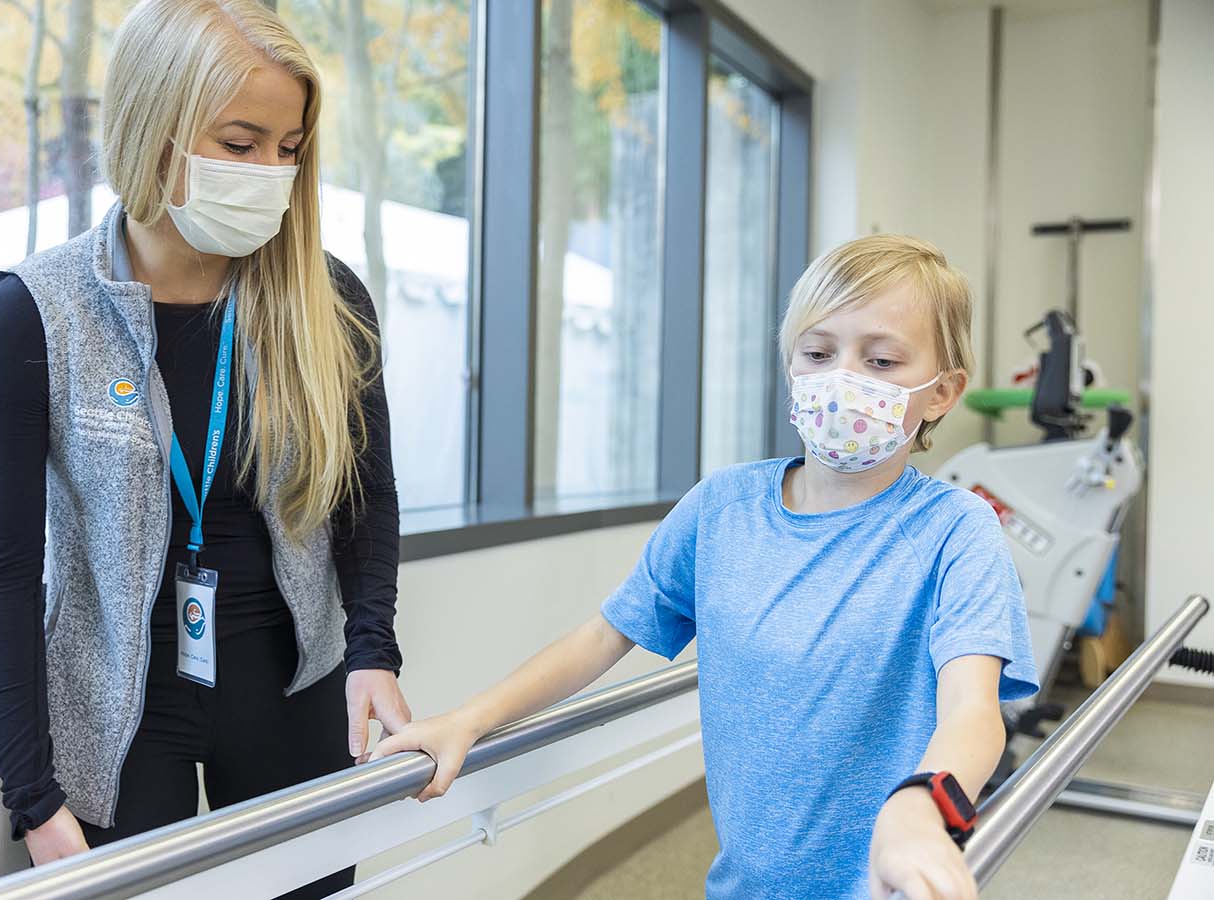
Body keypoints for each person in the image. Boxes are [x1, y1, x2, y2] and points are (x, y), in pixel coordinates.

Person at [370, 235, 1039, 900]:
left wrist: (925, 807)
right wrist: (470, 718)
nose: (843, 380)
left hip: (885, 884)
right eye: (818, 352)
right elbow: (604, 635)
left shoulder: (955, 530)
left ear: (943, 392)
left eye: (882, 359)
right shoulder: (723, 509)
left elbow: (973, 709)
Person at [0, 1, 410, 895]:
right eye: (241, 145)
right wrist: (33, 798)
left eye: (289, 148)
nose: (271, 174)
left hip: (292, 683)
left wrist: (372, 653)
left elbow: (367, 500)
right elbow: (1, 578)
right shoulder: (29, 319)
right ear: (153, 128)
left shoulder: (328, 299)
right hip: (117, 711)